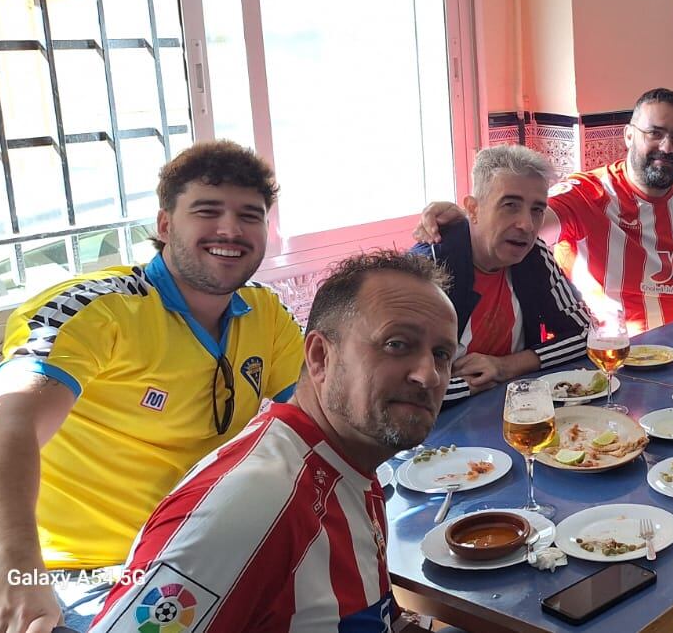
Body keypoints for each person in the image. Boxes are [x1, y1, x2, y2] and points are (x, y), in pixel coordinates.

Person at [0, 141, 303, 632]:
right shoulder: (96, 310)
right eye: (207, 211)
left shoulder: (264, 312)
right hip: (57, 576)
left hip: (185, 559)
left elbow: (318, 414)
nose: (231, 229)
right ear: (165, 226)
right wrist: (15, 563)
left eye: (250, 215)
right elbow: (2, 429)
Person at [88, 251, 457, 631]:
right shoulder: (256, 501)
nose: (428, 375)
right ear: (319, 357)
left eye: (442, 354)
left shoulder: (350, 465)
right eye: (397, 344)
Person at [414, 88, 673, 334]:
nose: (667, 146)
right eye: (655, 133)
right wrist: (467, 222)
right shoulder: (587, 193)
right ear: (629, 135)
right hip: (620, 361)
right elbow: (528, 222)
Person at [409, 146, 591, 401]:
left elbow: (586, 334)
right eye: (510, 205)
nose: (526, 225)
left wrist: (507, 366)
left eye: (537, 209)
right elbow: (399, 385)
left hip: (518, 412)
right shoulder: (429, 268)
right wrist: (469, 385)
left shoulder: (534, 256)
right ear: (472, 209)